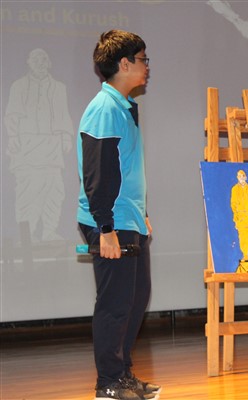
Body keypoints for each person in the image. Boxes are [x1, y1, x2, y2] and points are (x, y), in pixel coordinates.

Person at [77, 30, 161, 400]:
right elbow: (99, 172)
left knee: (135, 299)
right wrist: (105, 227)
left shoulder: (122, 107)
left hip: (128, 219)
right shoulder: (105, 109)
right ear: (124, 64)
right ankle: (108, 383)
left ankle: (123, 375)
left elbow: (125, 170)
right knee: (115, 305)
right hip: (110, 222)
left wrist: (141, 214)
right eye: (143, 59)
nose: (147, 67)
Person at [4, 48, 74, 242]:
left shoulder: (59, 87)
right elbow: (12, 114)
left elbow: (63, 114)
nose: (40, 63)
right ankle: (27, 234)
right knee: (28, 191)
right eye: (35, 59)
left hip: (52, 147)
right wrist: (13, 137)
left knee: (54, 189)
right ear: (28, 62)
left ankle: (49, 231)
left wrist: (66, 137)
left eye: (44, 59)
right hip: (27, 146)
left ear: (49, 63)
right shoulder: (18, 86)